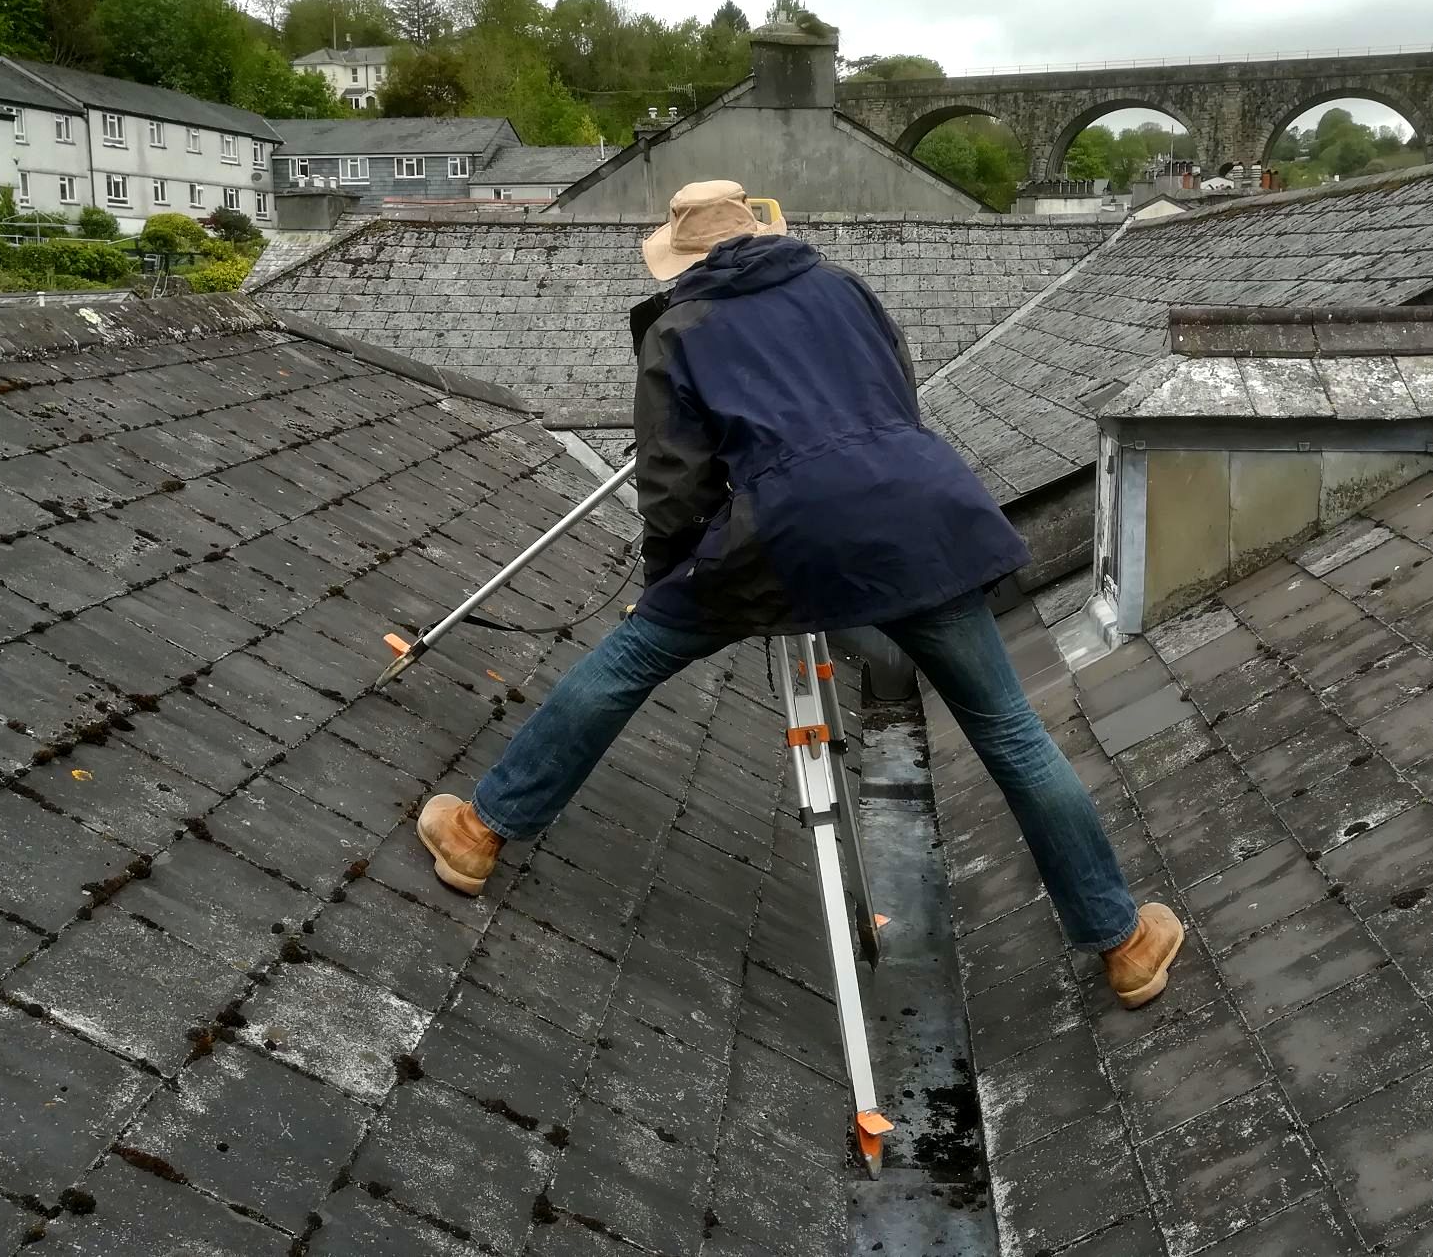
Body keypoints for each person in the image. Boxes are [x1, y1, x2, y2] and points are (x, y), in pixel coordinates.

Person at [418, 179, 1183, 1008]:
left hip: (785, 531)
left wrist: (671, 587)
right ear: (758, 231)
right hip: (919, 514)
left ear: (682, 259)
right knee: (1011, 732)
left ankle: (477, 834)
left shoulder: (680, 328)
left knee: (630, 658)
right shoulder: (844, 287)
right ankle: (1125, 945)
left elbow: (673, 488)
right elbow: (896, 392)